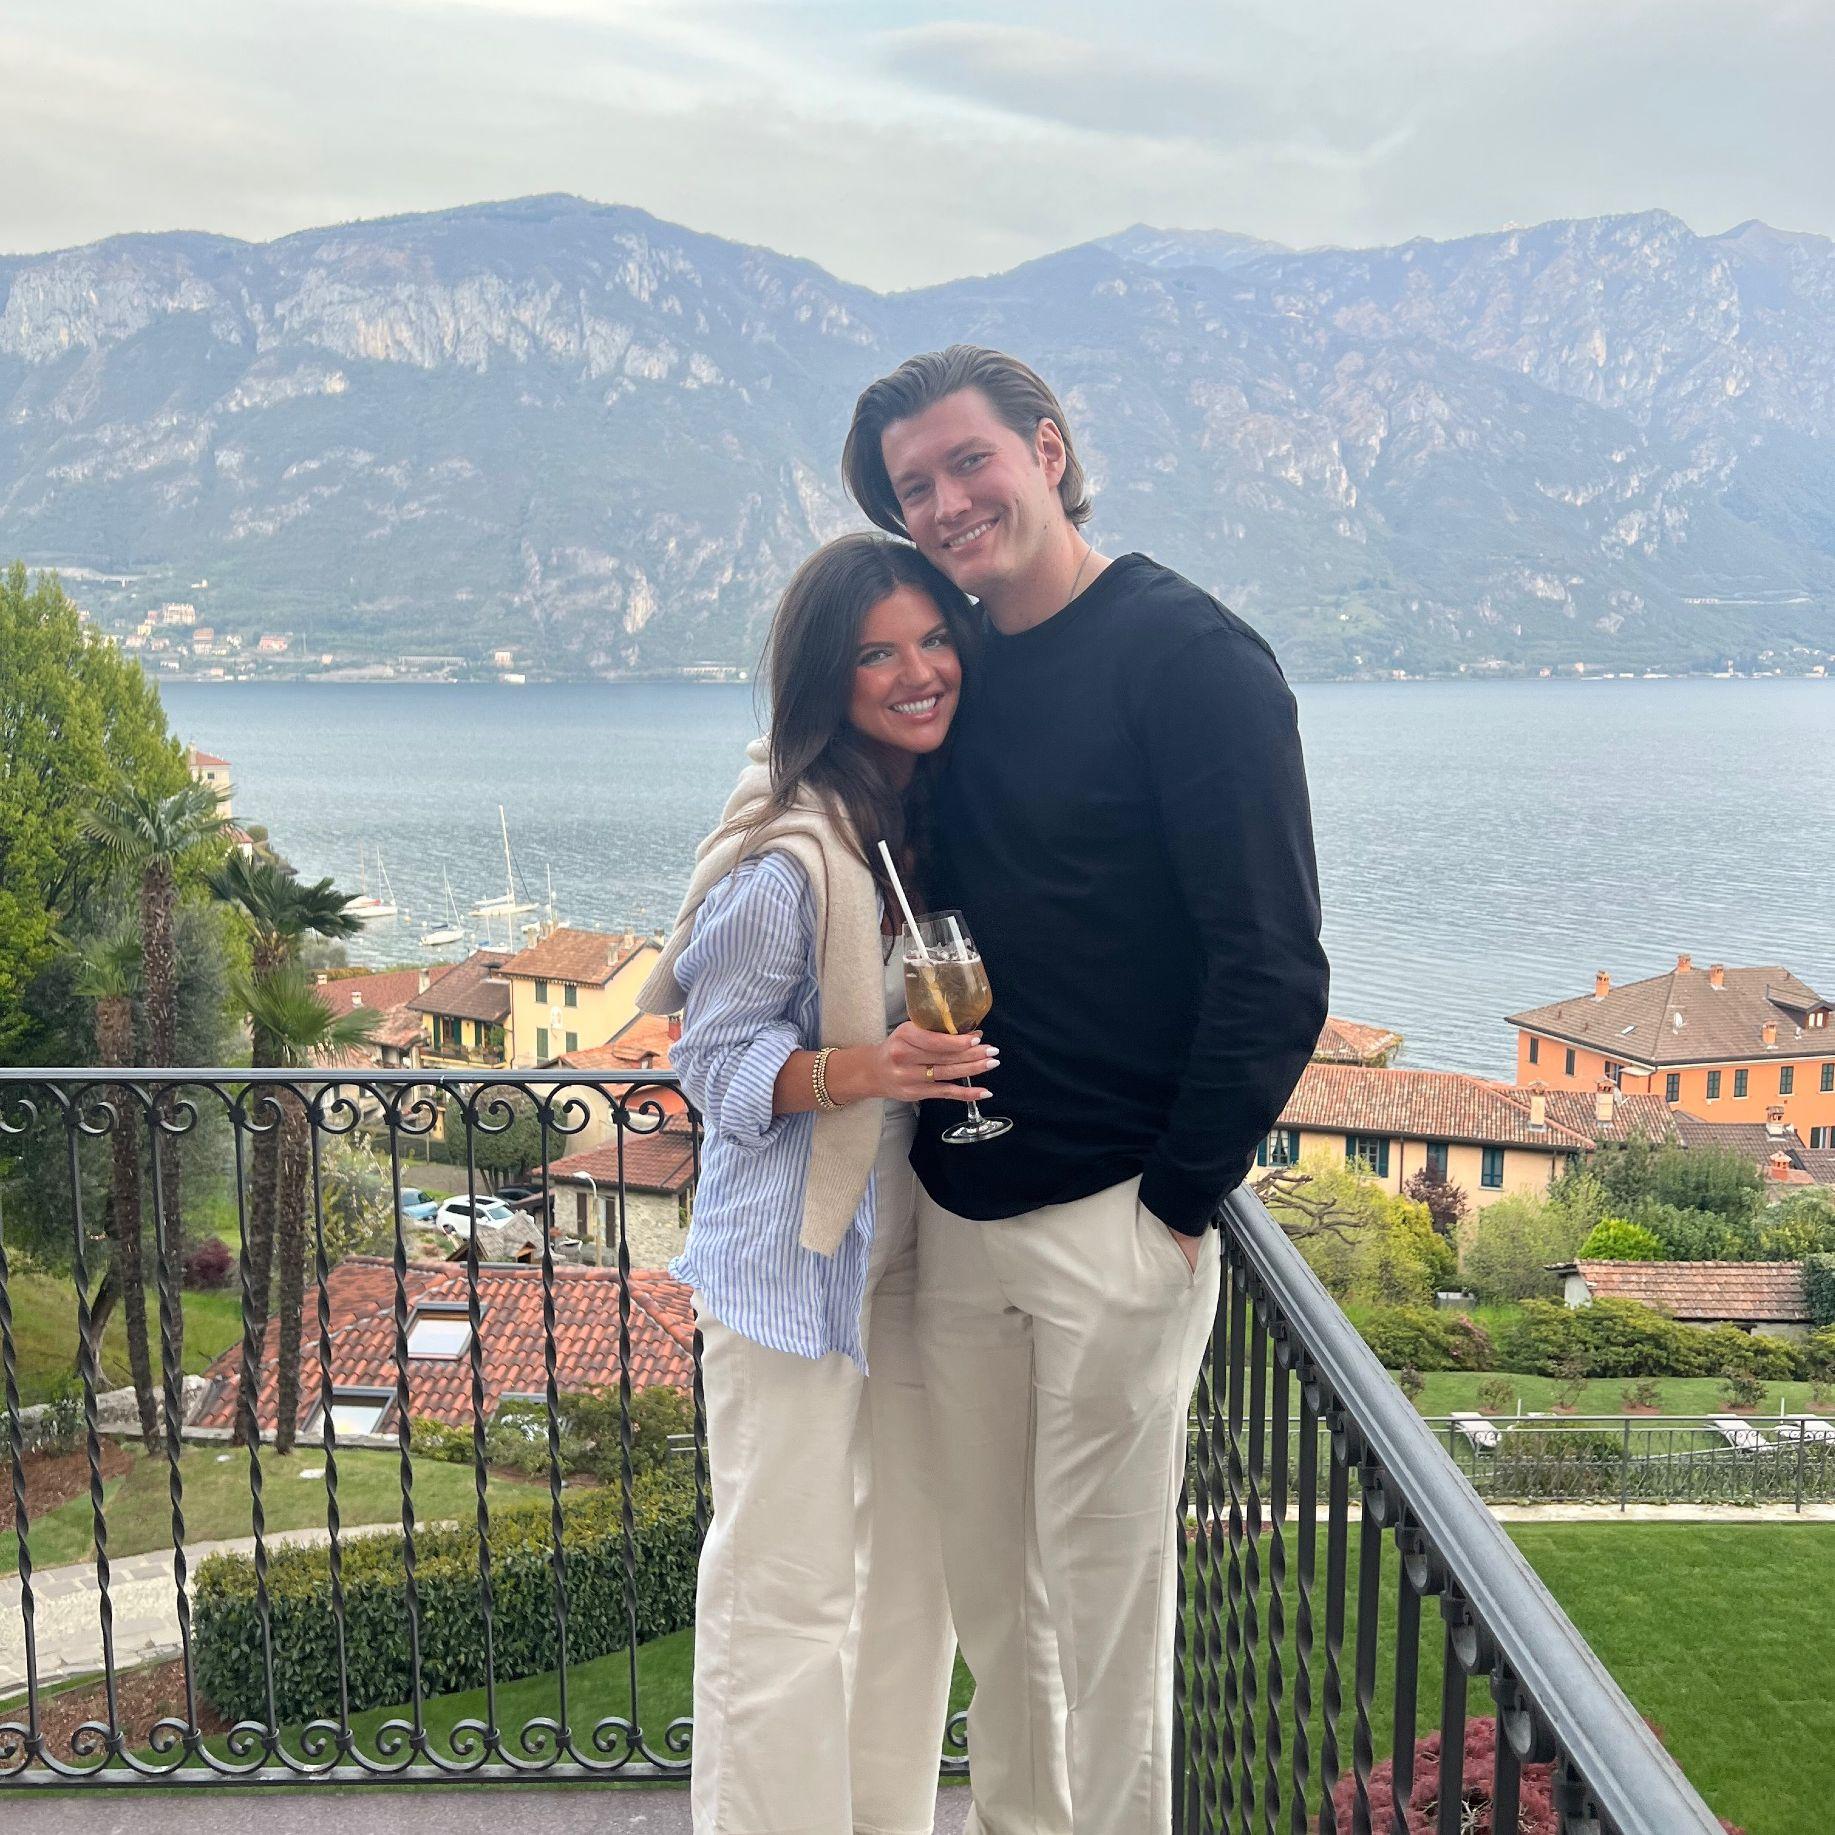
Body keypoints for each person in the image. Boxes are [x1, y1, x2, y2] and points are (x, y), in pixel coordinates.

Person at [841, 345, 1331, 1834]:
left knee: (1111, 1617)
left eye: (968, 461)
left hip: (1115, 1216)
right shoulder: (959, 668)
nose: (944, 503)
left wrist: (1175, 1203)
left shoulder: (1193, 661)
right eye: (914, 486)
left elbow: (1273, 962)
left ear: (1046, 451)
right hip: (958, 1206)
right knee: (999, 1612)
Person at [635, 532, 993, 1835]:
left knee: (910, 1580)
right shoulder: (788, 856)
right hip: (790, 1263)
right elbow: (712, 1063)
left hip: (904, 1251)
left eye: (934, 640)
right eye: (878, 653)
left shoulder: (915, 819)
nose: (918, 671)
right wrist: (864, 1069)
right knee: (782, 1592)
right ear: (825, 679)